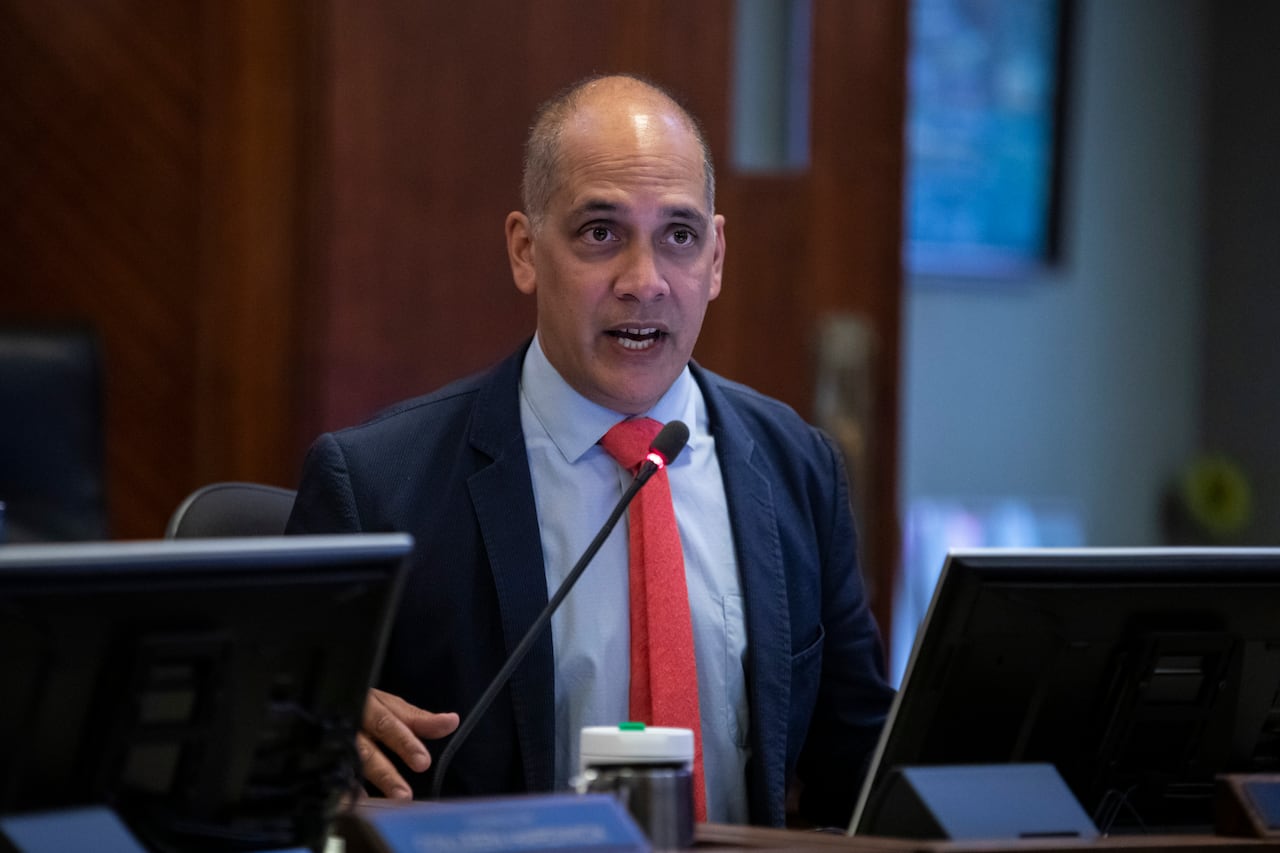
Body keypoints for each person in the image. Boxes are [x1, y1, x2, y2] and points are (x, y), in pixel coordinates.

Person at [287, 73, 894, 828]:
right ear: (524, 250)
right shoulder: (376, 486)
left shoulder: (797, 468)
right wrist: (317, 737)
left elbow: (862, 769)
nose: (643, 283)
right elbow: (276, 753)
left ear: (716, 259)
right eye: (600, 233)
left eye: (679, 235)